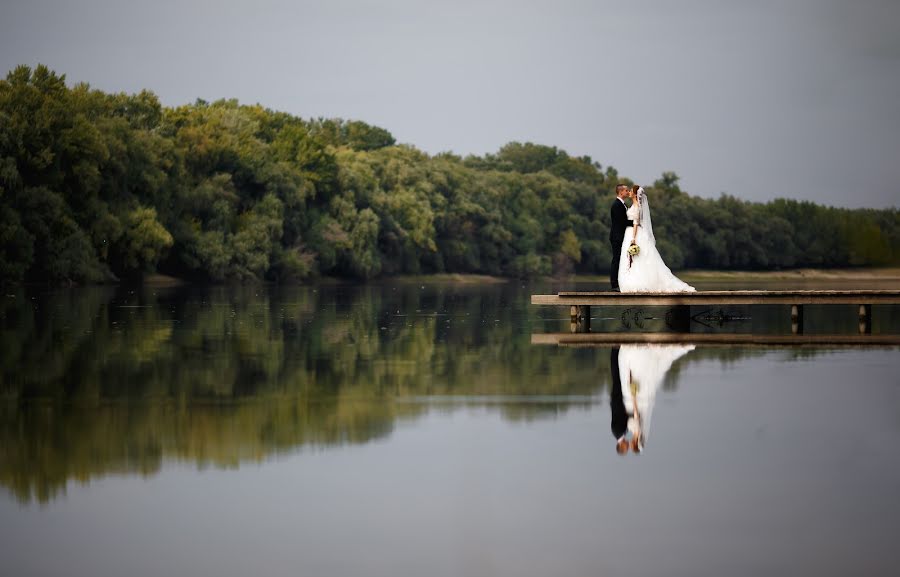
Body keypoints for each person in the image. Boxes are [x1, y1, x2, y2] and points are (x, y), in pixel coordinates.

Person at [617, 185, 695, 293]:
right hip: (630, 233)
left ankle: (638, 281)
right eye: (628, 191)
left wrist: (633, 238)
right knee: (636, 259)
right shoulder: (633, 205)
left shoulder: (636, 207)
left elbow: (635, 223)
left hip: (633, 233)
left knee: (638, 258)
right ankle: (636, 279)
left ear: (635, 194)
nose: (629, 192)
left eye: (630, 191)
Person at [608, 184, 634, 292]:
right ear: (621, 192)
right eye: (626, 190)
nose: (628, 192)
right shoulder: (617, 205)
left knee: (620, 259)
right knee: (616, 259)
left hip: (621, 236)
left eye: (628, 190)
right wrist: (636, 223)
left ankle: (620, 282)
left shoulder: (622, 204)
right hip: (616, 237)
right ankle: (614, 284)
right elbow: (621, 222)